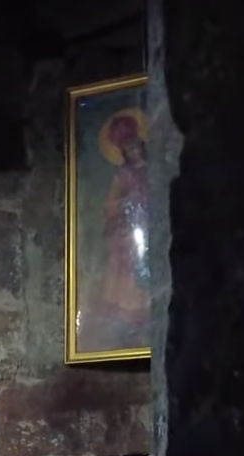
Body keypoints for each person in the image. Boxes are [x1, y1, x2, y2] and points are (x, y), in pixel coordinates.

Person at [88, 111, 150, 352]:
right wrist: (127, 202)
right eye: (127, 148)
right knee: (126, 268)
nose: (132, 151)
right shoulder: (123, 175)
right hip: (129, 228)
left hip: (150, 225)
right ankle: (128, 318)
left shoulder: (155, 168)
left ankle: (148, 314)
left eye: (134, 145)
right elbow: (111, 203)